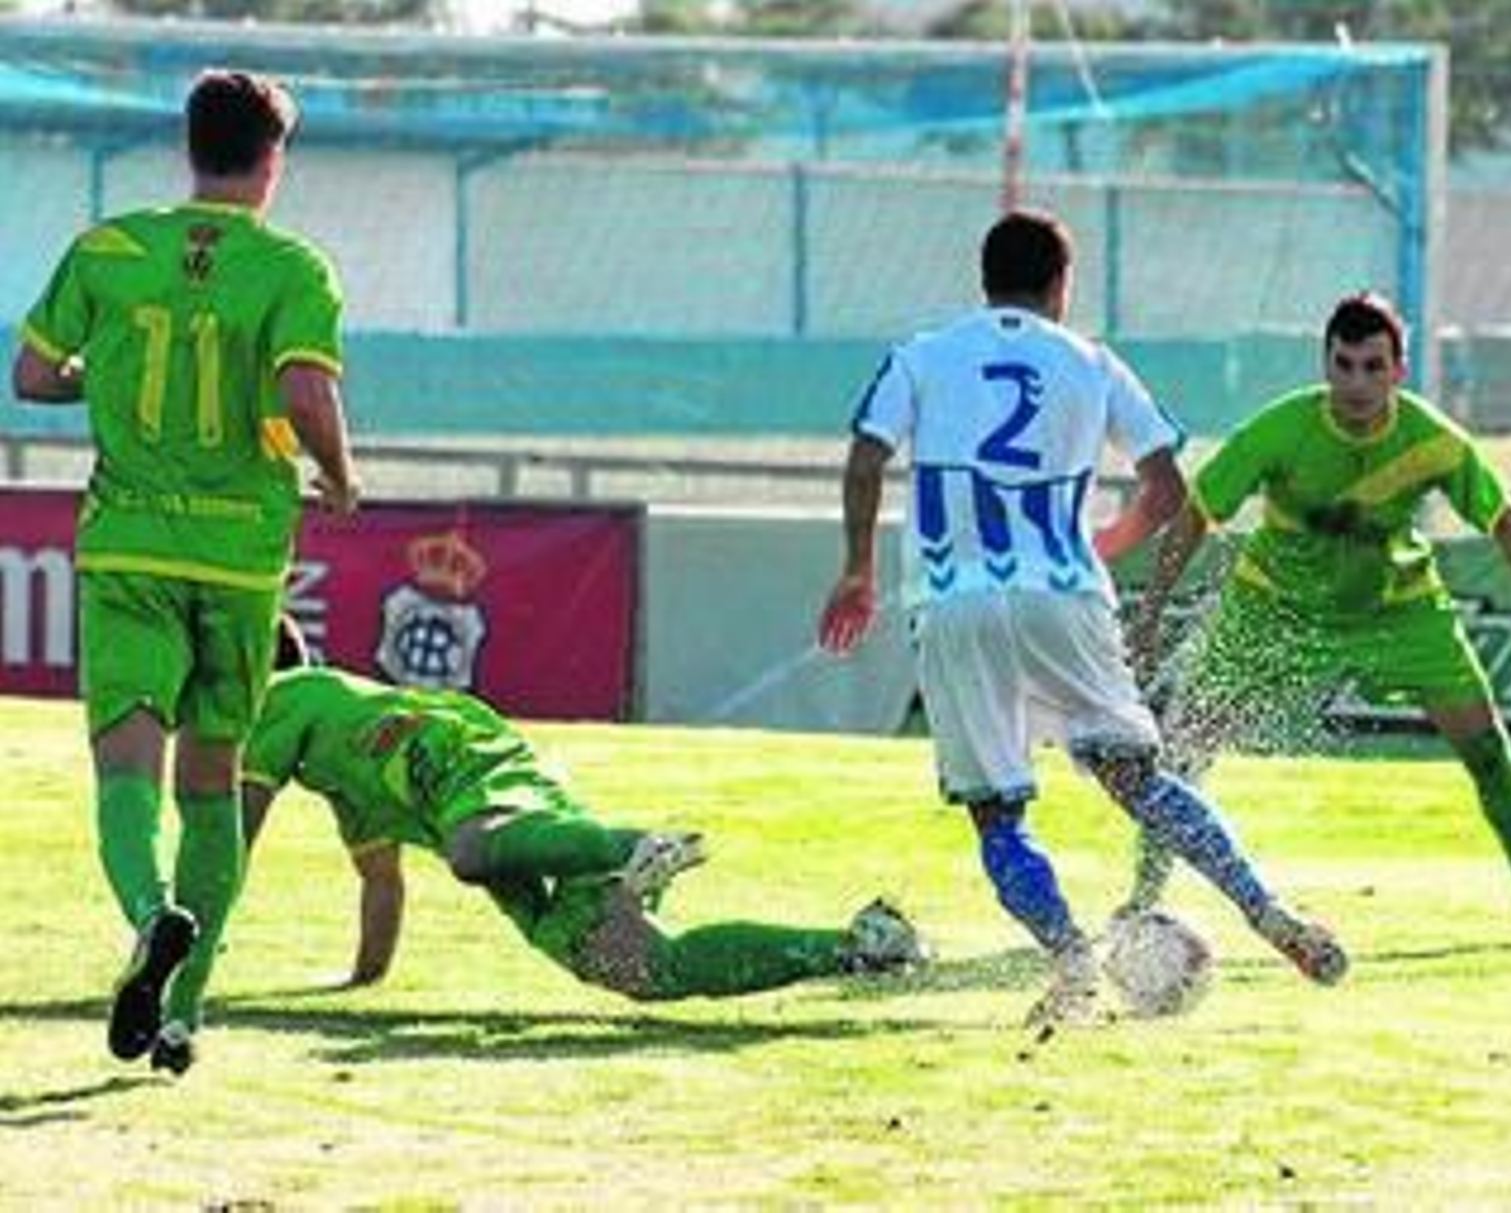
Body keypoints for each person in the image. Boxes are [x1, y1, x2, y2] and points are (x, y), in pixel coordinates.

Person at [816, 208, 1347, 1030]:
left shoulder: (921, 356)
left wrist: (856, 568)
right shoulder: (1093, 362)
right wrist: (1103, 543)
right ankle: (1267, 910)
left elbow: (866, 455)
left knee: (999, 814)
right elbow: (1167, 486)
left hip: (955, 602)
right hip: (1065, 595)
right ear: (1062, 285)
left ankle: (1071, 959)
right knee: (1138, 778)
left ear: (983, 277)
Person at [9, 69, 361, 1074]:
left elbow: (32, 374)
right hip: (243, 559)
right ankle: (181, 1013)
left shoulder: (111, 248)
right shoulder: (294, 266)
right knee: (212, 787)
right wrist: (339, 474)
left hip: (128, 544)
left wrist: (106, 376)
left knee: (125, 767)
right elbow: (303, 389)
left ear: (191, 146)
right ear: (273, 159)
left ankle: (147, 917)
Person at [1123, 292, 1511, 948]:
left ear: (1399, 370)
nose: (1356, 383)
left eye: (1373, 366)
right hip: (1273, 609)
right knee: (1185, 749)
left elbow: (1506, 519)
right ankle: (1139, 903)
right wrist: (1147, 614)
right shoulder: (1281, 428)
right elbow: (1198, 511)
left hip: (1401, 612)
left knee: (1491, 754)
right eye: (1343, 364)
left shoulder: (1431, 439)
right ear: (1326, 363)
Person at [240, 633, 928, 1031]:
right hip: (499, 807)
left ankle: (633, 845)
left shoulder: (282, 693)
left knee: (471, 851)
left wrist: (175, 942)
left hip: (477, 771)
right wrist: (361, 982)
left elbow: (229, 833)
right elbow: (380, 882)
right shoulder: (344, 781)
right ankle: (860, 946)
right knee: (646, 972)